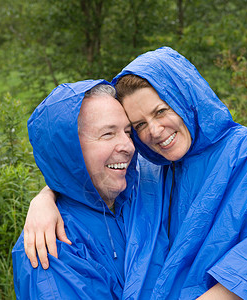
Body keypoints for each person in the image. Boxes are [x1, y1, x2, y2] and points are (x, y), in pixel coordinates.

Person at [22, 47, 247, 299]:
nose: (153, 131)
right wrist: (47, 196)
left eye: (161, 111)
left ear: (187, 97)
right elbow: (80, 167)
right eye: (138, 125)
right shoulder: (154, 170)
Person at [12, 81, 147, 298]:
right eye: (108, 134)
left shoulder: (140, 198)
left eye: (128, 132)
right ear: (70, 151)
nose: (129, 146)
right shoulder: (52, 245)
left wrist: (46, 194)